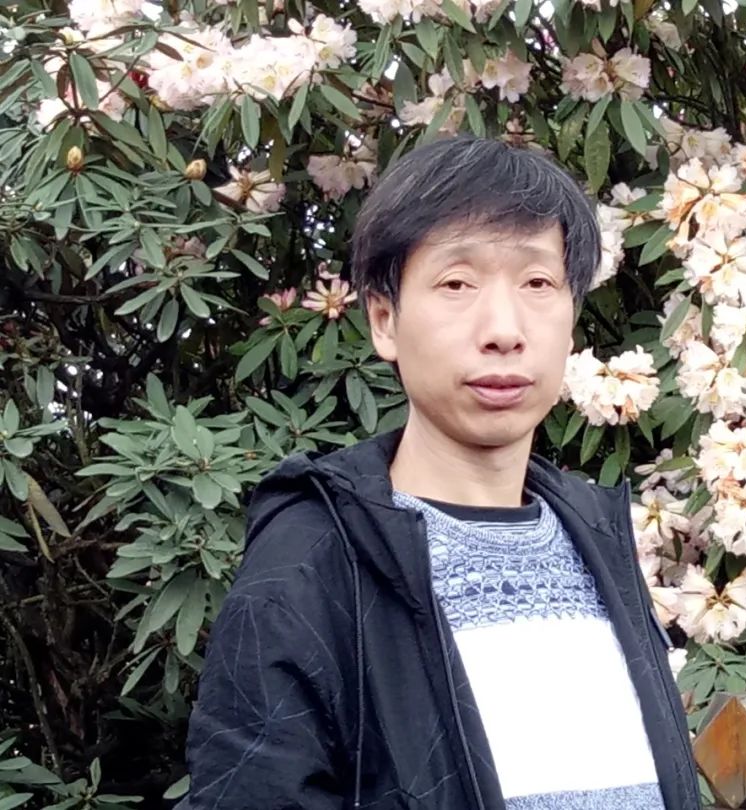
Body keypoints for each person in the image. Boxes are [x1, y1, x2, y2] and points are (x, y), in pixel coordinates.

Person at [178, 136, 699, 810]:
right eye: (457, 283)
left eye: (538, 283)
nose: (504, 329)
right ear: (384, 321)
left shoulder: (596, 538)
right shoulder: (315, 557)